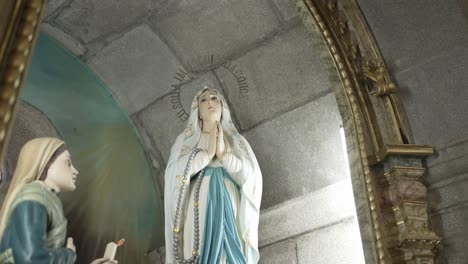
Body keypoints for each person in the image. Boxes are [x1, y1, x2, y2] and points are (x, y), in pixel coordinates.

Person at [164, 87, 263, 264]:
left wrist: (225, 156)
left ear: (223, 108)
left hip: (229, 199)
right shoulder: (185, 141)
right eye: (203, 99)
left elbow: (251, 178)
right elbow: (173, 176)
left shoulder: (236, 141)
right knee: (200, 246)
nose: (210, 101)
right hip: (199, 202)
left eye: (214, 98)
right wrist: (206, 155)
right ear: (198, 113)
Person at [0, 137, 116, 264]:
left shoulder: (46, 198)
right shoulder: (34, 196)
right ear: (47, 162)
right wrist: (68, 254)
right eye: (68, 162)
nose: (75, 171)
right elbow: (30, 259)